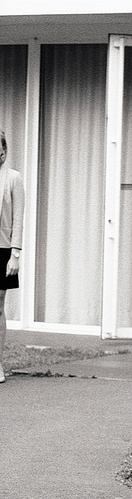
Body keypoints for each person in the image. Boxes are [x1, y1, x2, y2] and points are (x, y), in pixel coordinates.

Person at [0, 131, 23, 385]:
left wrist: (15, 254)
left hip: (4, 248)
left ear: (4, 150)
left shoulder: (13, 178)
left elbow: (19, 218)